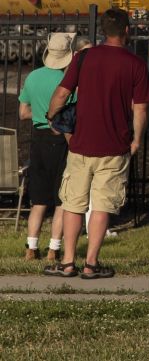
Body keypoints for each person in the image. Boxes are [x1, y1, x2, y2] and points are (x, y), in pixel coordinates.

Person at [42, 8, 148, 280]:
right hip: (114, 145)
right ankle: (91, 263)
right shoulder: (135, 64)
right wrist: (136, 138)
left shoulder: (84, 57)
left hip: (80, 144)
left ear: (103, 30)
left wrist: (52, 116)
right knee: (101, 205)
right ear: (127, 31)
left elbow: (62, 93)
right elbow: (140, 109)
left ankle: (67, 262)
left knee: (73, 203)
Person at [18, 31, 73, 261]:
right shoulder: (67, 81)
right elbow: (71, 114)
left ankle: (31, 247)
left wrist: (40, 113)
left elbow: (23, 113)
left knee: (38, 199)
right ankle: (54, 248)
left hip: (38, 138)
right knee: (61, 200)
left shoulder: (32, 77)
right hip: (60, 138)